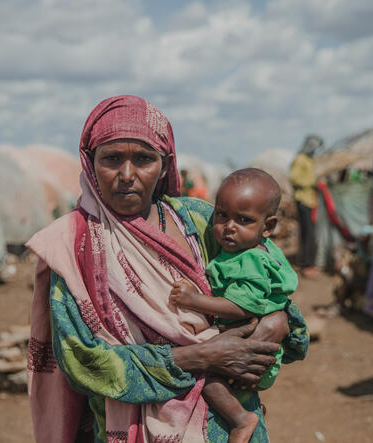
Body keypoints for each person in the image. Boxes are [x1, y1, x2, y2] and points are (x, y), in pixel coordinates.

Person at [25, 95, 309, 443]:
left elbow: (268, 291)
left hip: (228, 425)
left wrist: (270, 326)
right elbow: (83, 362)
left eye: (144, 159)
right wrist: (199, 356)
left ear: (164, 165)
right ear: (90, 162)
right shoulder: (73, 246)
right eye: (111, 158)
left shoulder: (200, 220)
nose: (126, 175)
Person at [169, 168, 297, 442]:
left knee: (205, 375)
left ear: (268, 227)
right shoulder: (247, 250)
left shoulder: (250, 259)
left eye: (243, 220)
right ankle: (246, 408)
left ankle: (241, 419)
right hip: (254, 342)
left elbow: (242, 308)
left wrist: (194, 300)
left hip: (251, 341)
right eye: (222, 215)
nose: (229, 226)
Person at [290, 135, 323, 279]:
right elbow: (294, 178)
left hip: (310, 200)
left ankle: (307, 262)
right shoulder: (300, 160)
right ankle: (307, 264)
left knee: (309, 233)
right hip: (303, 200)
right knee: (308, 233)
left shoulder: (310, 160)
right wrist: (311, 182)